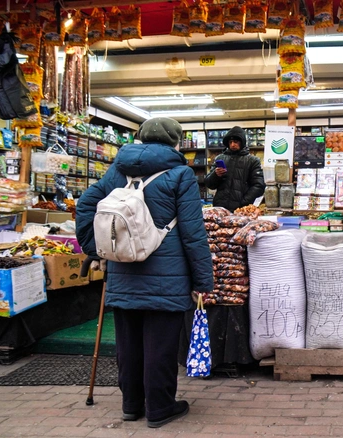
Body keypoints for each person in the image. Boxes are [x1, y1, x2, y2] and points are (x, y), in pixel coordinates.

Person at [75, 117, 213, 428]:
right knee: (160, 347)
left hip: (124, 274)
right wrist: (204, 280)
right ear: (175, 142)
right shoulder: (181, 175)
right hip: (169, 277)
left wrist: (95, 250)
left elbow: (86, 206)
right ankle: (160, 408)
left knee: (129, 344)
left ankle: (131, 405)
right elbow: (193, 233)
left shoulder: (118, 170)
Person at [205, 126, 265, 211]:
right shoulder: (220, 158)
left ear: (242, 142)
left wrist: (244, 202)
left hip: (241, 210)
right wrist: (216, 175)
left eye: (236, 141)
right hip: (220, 209)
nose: (233, 144)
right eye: (230, 142)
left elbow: (259, 185)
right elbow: (209, 184)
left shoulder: (252, 161)